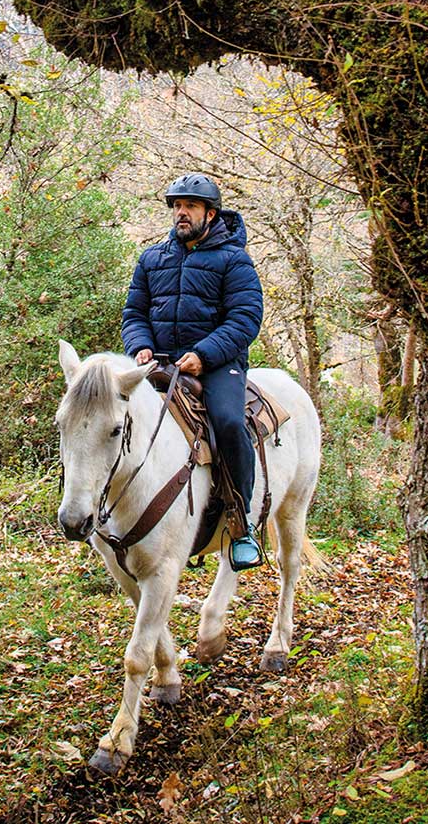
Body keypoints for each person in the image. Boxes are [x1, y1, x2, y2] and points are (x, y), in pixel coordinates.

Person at [122, 173, 266, 570]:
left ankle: (242, 525)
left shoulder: (234, 259)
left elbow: (245, 317)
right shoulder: (152, 258)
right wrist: (140, 346)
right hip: (159, 362)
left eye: (190, 207)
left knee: (229, 423)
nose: (181, 213)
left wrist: (204, 354)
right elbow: (134, 313)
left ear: (210, 213)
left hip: (219, 364)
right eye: (176, 206)